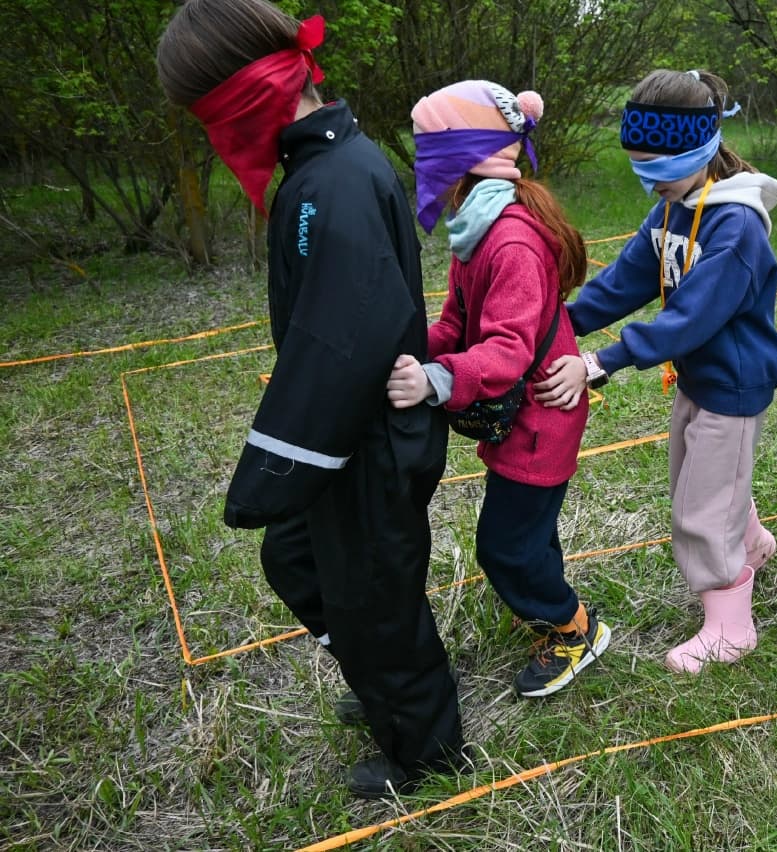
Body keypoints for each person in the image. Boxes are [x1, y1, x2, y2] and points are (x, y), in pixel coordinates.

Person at [156, 0, 463, 798]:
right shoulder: (323, 171)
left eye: (214, 118)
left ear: (245, 95)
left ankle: (425, 748)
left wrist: (272, 469)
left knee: (375, 590)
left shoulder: (333, 186)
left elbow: (340, 346)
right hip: (355, 434)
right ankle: (380, 676)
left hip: (368, 440)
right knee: (298, 558)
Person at [533, 69, 777, 674]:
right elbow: (625, 282)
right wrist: (555, 323)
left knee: (700, 506)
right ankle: (752, 543)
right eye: (638, 166)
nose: (648, 182)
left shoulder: (737, 226)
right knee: (692, 481)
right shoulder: (674, 207)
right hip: (697, 378)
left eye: (657, 167)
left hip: (734, 383)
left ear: (697, 149)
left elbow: (693, 316)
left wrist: (601, 360)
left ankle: (732, 626)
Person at [384, 80, 610, 699]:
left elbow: (507, 350)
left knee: (504, 547)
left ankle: (574, 628)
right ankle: (548, 594)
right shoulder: (476, 228)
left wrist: (435, 380)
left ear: (461, 159)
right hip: (522, 418)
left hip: (542, 420)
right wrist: (409, 345)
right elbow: (459, 323)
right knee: (527, 530)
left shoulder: (510, 240)